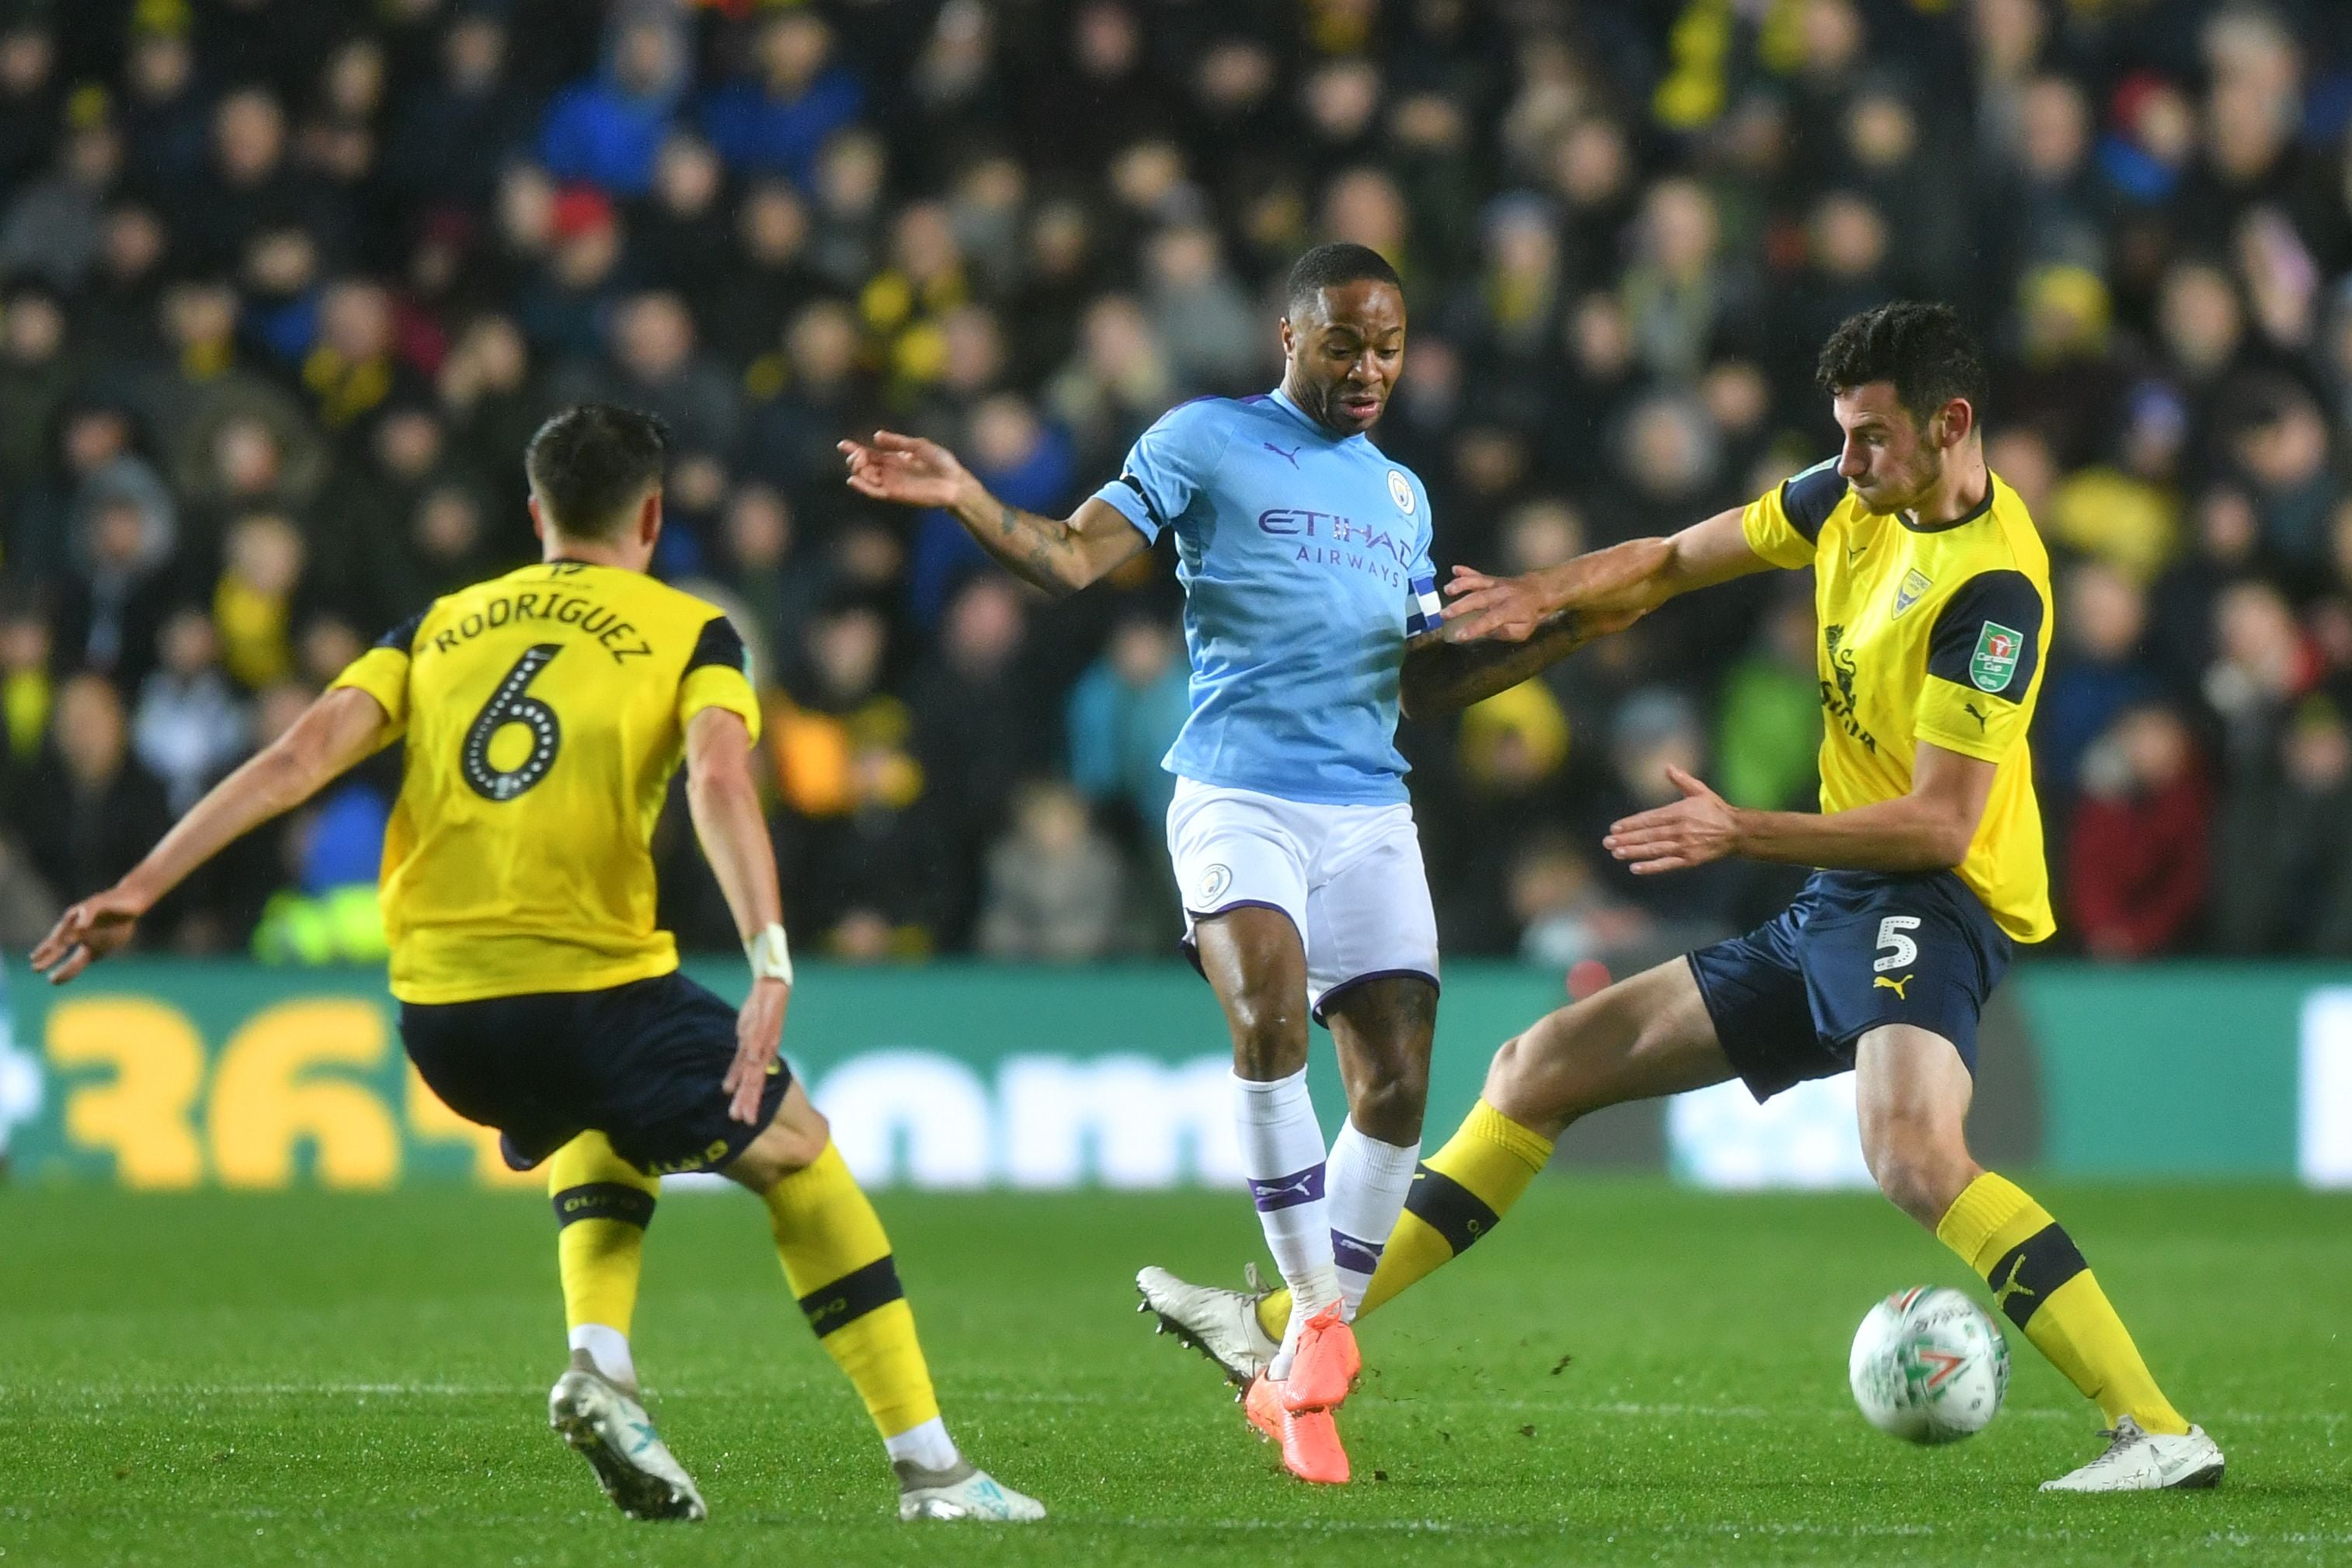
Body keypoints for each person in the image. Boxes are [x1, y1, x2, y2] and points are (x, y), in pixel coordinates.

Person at [1140, 303, 2225, 1495]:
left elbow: (1942, 822)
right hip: (1843, 898)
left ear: (1951, 425)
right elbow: (1665, 563)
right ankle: (1299, 1324)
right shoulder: (1848, 501)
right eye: (1842, 436)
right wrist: (1538, 595)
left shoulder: (1995, 594)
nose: (1845, 463)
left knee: (1914, 1152)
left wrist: (1735, 828)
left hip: (1933, 894)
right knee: (1536, 1070)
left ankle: (2157, 1428)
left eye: (1869, 438)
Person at [31, 404, 1042, 1525]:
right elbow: (717, 782)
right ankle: (934, 1474)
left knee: (602, 1110)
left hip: (440, 1014)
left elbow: (298, 754)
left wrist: (140, 886)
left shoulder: (441, 623)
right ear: (652, 514)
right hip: (587, 985)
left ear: (534, 514)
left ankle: (601, 1365)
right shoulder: (691, 630)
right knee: (800, 1151)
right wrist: (768, 956)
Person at [839, 243, 1595, 1484]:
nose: (1369, 368)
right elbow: (1069, 559)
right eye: (1345, 341)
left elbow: (1421, 681)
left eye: (1390, 346)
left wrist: (1547, 633)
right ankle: (1319, 1329)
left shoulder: (1401, 495)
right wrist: (969, 495)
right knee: (1269, 1015)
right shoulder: (1201, 439)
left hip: (1366, 805)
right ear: (1288, 336)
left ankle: (1288, 1356)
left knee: (1398, 1079)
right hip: (1238, 789)